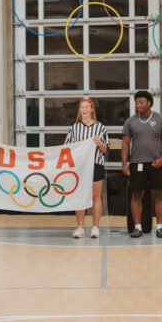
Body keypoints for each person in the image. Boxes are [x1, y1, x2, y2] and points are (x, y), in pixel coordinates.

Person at [121, 90, 162, 238]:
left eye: (141, 102)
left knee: (158, 195)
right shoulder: (130, 122)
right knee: (136, 195)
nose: (138, 105)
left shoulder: (161, 120)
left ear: (149, 103)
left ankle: (160, 227)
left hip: (156, 163)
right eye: (136, 102)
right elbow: (125, 143)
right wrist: (124, 163)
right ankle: (137, 227)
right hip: (137, 163)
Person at [65, 98, 109, 239]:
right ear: (79, 110)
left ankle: (95, 227)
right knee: (80, 196)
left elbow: (105, 149)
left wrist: (99, 142)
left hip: (96, 164)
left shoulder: (100, 127)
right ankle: (80, 228)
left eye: (87, 107)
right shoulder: (74, 128)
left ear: (91, 109)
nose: (84, 109)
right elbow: (68, 148)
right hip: (80, 166)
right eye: (82, 107)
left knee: (96, 196)